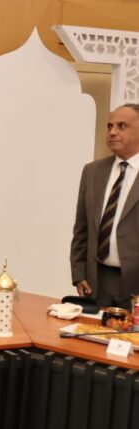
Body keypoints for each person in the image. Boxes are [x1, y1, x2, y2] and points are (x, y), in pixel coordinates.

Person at [71, 103, 139, 309]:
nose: (112, 132)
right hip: (97, 283)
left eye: (121, 126)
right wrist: (79, 273)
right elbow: (82, 228)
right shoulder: (93, 172)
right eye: (109, 126)